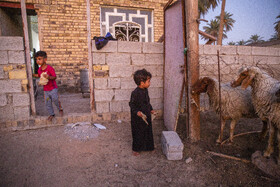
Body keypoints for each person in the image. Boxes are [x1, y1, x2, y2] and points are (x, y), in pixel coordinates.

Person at [129, 69, 155, 156]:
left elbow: (147, 102)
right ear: (142, 82)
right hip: (137, 119)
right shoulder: (135, 93)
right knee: (138, 134)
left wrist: (151, 109)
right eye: (148, 81)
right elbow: (132, 105)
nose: (150, 83)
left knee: (147, 132)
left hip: (146, 116)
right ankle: (136, 149)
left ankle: (149, 147)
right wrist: (137, 112)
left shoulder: (145, 90)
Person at [33, 51, 63, 121]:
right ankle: (51, 114)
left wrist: (48, 77)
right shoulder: (39, 69)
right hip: (46, 90)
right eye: (36, 59)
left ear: (45, 59)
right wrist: (34, 75)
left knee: (55, 100)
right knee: (47, 102)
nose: (38, 61)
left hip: (53, 88)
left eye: (39, 59)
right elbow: (39, 75)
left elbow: (54, 77)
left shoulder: (49, 68)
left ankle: (60, 109)